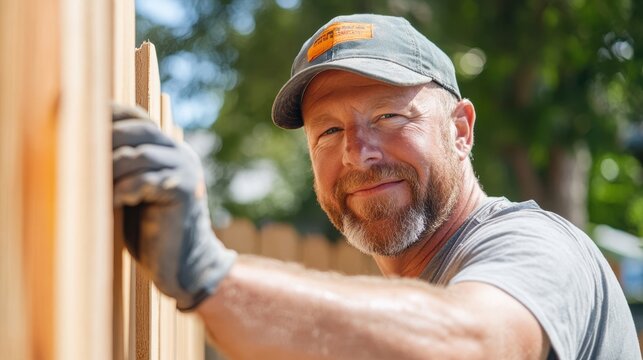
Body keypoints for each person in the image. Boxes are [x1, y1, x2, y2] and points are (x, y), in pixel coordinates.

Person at [112, 14, 640, 359]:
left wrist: (206, 274)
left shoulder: (535, 246)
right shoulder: (406, 301)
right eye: (330, 130)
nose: (358, 153)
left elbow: (472, 344)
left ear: (460, 130)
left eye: (389, 116)